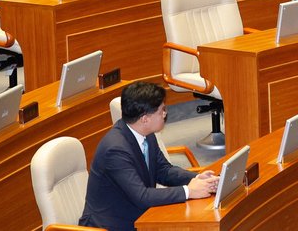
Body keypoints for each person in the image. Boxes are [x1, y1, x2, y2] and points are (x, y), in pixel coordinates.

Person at [80, 80, 217, 230]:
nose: (165, 114)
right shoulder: (115, 150)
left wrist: (197, 179)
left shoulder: (145, 133)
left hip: (138, 214)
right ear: (145, 119)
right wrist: (189, 191)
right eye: (161, 111)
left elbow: (164, 170)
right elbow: (142, 197)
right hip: (111, 225)